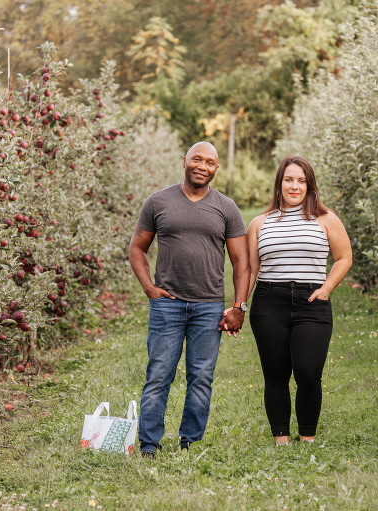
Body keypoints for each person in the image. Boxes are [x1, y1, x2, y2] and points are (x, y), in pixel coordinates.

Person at [129, 141, 250, 458]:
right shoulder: (158, 201)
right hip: (167, 305)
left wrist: (239, 307)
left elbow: (242, 262)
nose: (202, 166)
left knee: (201, 378)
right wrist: (149, 288)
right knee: (159, 375)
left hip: (209, 307)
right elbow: (137, 248)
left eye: (209, 162)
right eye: (197, 159)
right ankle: (149, 444)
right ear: (185, 161)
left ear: (216, 168)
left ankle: (189, 442)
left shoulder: (227, 208)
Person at [244, 155, 352, 446]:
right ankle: (281, 440)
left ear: (310, 185)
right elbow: (251, 270)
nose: (295, 186)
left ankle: (308, 438)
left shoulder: (326, 219)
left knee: (309, 373)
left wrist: (327, 287)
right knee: (275, 375)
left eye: (301, 180)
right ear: (279, 183)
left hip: (312, 302)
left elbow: (344, 257)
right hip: (269, 302)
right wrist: (239, 305)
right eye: (289, 179)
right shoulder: (259, 223)